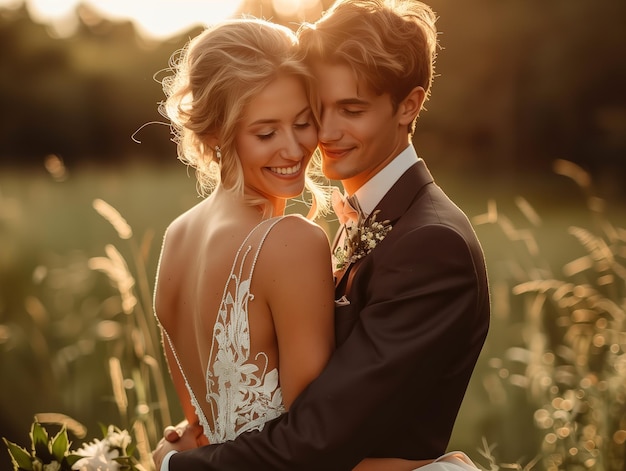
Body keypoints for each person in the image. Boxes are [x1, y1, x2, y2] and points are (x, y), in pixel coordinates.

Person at [154, 0, 491, 469]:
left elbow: (314, 434)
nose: (324, 134)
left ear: (409, 106)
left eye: (349, 110)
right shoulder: (301, 238)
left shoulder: (434, 243)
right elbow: (307, 438)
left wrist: (178, 463)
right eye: (318, 110)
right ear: (221, 132)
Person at [152, 16, 336, 455]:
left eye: (303, 122)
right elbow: (315, 447)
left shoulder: (176, 238)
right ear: (216, 134)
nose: (293, 150)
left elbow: (198, 434)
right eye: (266, 132)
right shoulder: (292, 243)